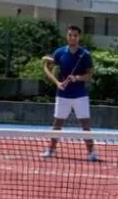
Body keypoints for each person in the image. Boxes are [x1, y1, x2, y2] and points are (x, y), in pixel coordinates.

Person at [41, 26, 99, 162]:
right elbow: (46, 68)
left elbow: (90, 74)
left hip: (80, 95)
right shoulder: (60, 52)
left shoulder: (85, 55)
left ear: (79, 37)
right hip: (63, 96)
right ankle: (50, 150)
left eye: (75, 35)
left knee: (85, 125)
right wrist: (57, 83)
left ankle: (91, 153)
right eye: (70, 35)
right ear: (67, 36)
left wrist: (77, 78)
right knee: (57, 124)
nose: (72, 37)